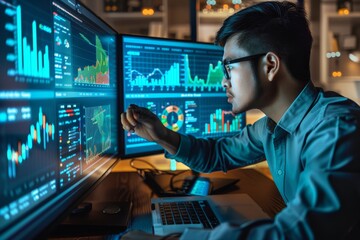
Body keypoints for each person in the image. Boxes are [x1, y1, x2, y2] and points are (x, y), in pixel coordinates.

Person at [121, 1, 360, 239]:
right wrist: (162, 135)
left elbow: (302, 233)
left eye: (229, 68)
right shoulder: (269, 128)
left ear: (270, 66)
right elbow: (217, 154)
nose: (223, 81)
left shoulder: (335, 129)